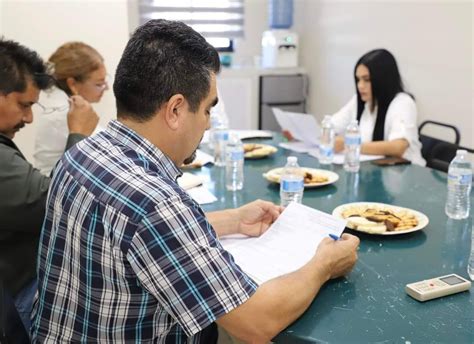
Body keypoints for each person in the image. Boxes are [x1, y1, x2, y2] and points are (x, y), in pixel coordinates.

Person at [32, 20, 359, 343]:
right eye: (206, 110)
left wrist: (232, 220)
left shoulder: (82, 152)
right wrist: (324, 264)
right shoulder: (157, 204)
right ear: (175, 110)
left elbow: (132, 237)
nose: (207, 125)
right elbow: (257, 322)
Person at [0, 38, 99, 332]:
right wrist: (78, 135)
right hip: (21, 290)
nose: (29, 117)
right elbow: (53, 202)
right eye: (23, 105)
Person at [332, 49, 425, 165]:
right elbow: (331, 126)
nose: (360, 86)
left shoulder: (403, 103)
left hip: (405, 173)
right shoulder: (359, 101)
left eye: (367, 80)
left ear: (383, 79)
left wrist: (349, 143)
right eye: (358, 79)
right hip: (373, 170)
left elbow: (398, 147)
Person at [34, 42, 109, 175]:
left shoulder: (59, 104)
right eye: (99, 84)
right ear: (72, 83)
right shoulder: (63, 113)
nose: (106, 88)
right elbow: (108, 151)